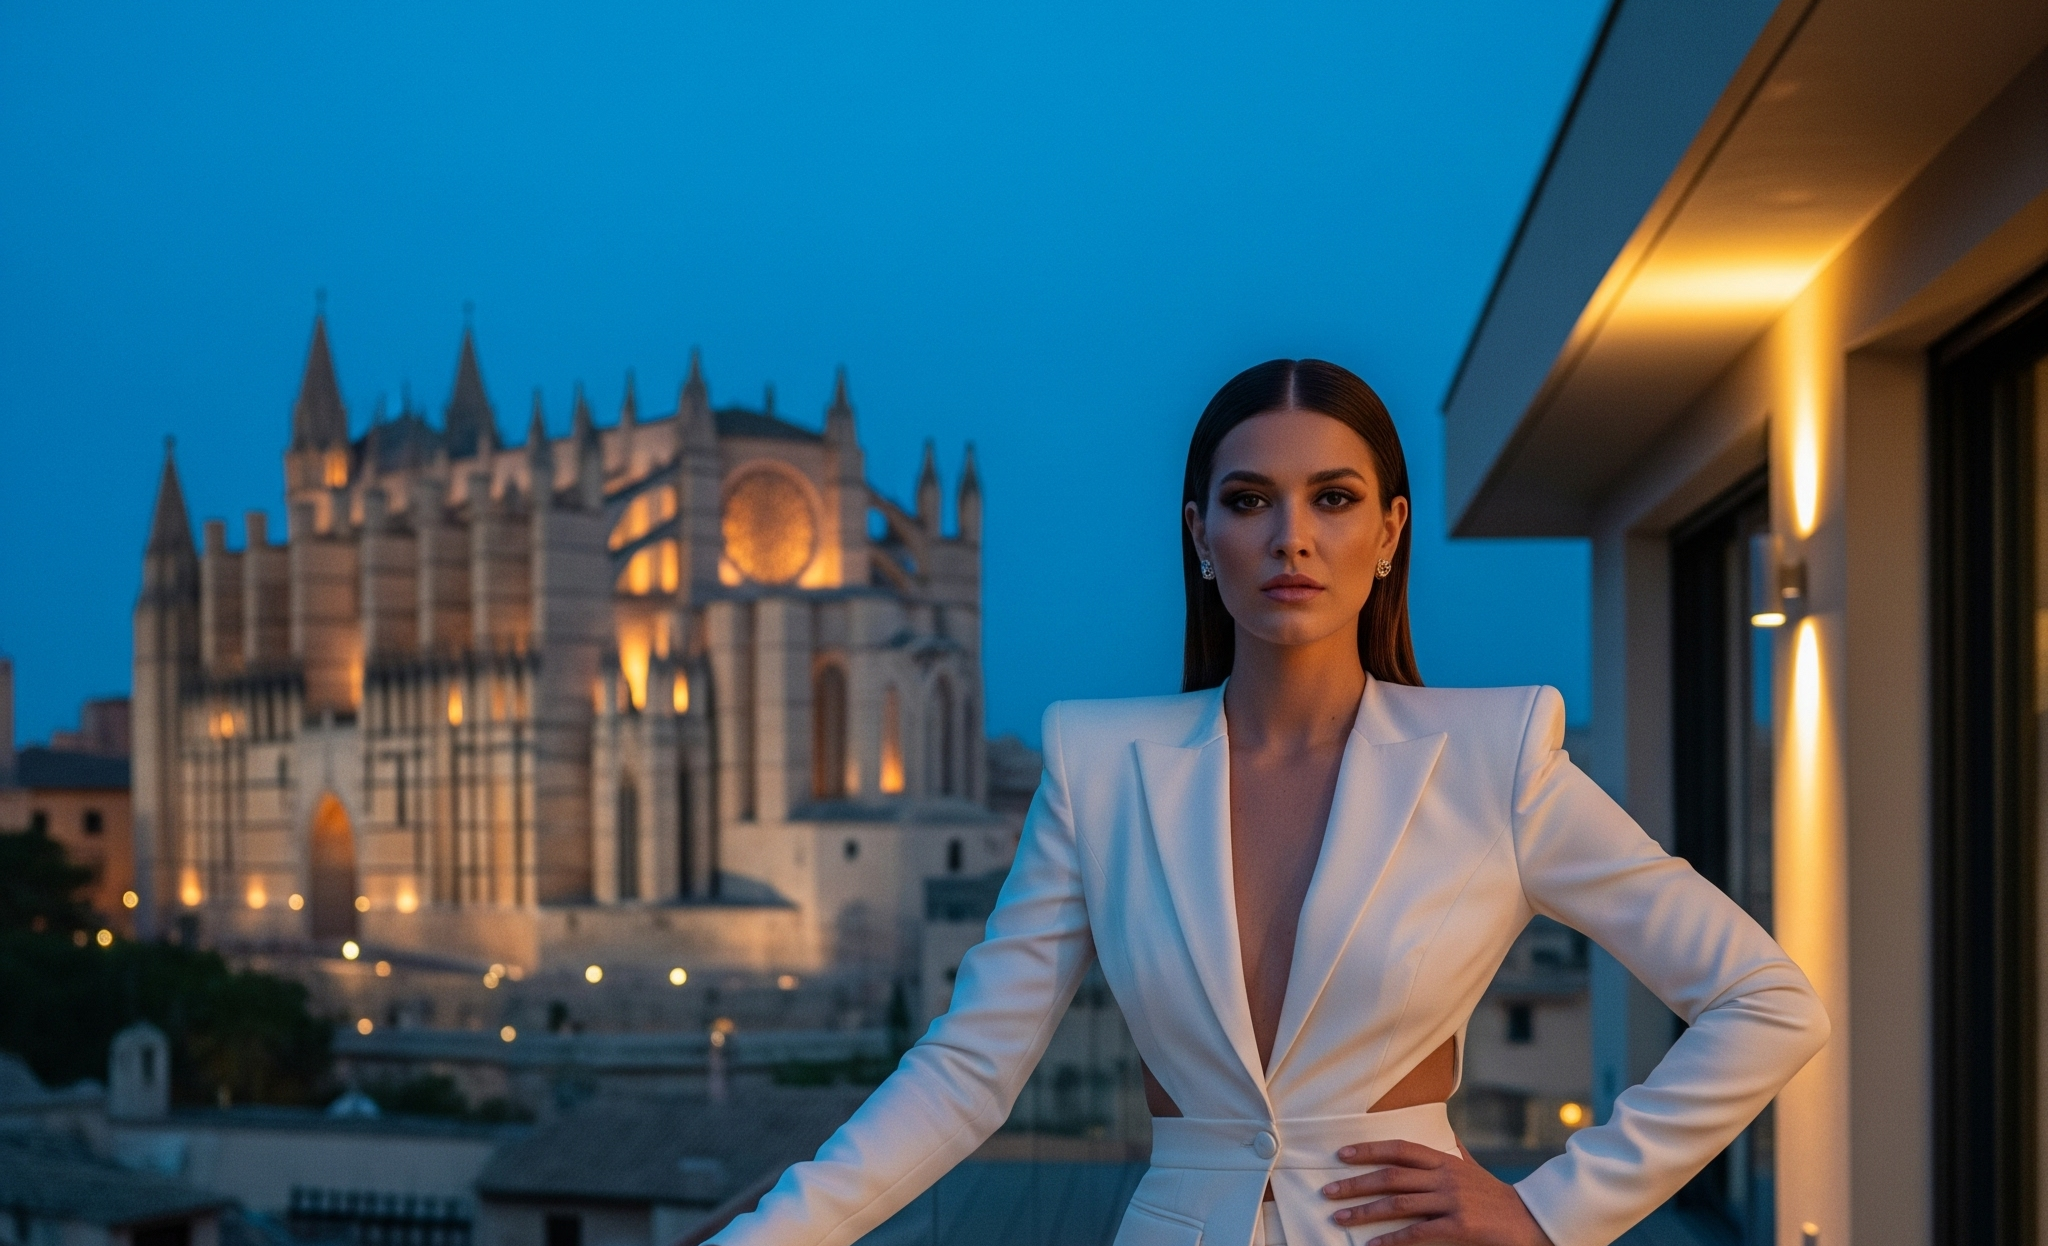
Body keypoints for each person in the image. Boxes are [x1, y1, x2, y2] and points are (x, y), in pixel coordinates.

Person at [710, 359, 1828, 1246]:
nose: (1288, 534)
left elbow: (1765, 1002)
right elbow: (966, 1072)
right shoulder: (1099, 764)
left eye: (1331, 498)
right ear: (1200, 535)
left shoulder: (1495, 752)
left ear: (1387, 533)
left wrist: (1549, 1209)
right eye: (1248, 500)